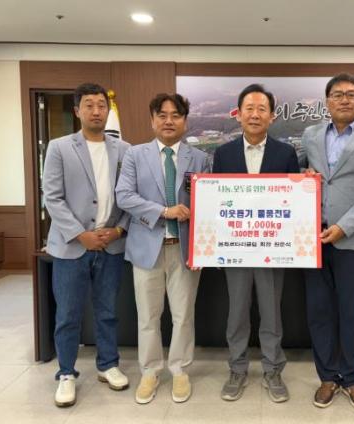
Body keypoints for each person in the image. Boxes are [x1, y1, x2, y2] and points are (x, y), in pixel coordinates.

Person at [301, 73, 354, 413]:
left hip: (351, 238)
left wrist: (343, 227)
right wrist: (304, 177)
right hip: (311, 236)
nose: (344, 99)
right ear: (327, 101)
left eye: (352, 94)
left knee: (351, 311)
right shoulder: (310, 135)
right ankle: (327, 377)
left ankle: (352, 379)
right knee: (319, 310)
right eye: (337, 94)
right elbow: (303, 176)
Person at [115, 93, 209, 404]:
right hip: (147, 248)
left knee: (184, 315)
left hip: (185, 249)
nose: (169, 121)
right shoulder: (135, 155)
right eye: (162, 115)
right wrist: (164, 211)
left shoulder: (199, 158)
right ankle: (150, 371)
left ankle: (180, 370)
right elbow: (124, 196)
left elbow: (210, 200)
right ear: (152, 120)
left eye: (176, 115)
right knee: (148, 316)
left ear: (185, 121)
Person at [43, 82, 131, 407]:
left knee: (107, 311)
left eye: (101, 105)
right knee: (68, 314)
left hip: (110, 245)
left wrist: (119, 230)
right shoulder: (59, 148)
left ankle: (108, 365)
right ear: (77, 110)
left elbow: (130, 198)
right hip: (71, 247)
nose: (96, 111)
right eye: (89, 105)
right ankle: (66, 373)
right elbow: (52, 197)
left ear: (108, 110)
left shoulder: (125, 150)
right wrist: (81, 234)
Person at [212, 84, 299, 403]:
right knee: (236, 312)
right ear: (238, 114)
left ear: (272, 116)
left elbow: (294, 203)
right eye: (249, 108)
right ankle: (237, 368)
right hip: (235, 248)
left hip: (272, 249)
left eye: (262, 109)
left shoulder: (285, 153)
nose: (255, 114)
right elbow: (215, 201)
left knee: (271, 313)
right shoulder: (223, 154)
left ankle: (273, 369)